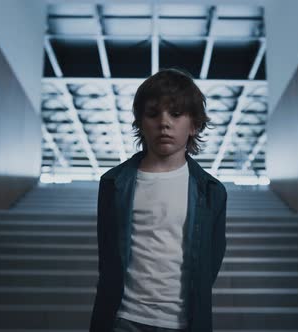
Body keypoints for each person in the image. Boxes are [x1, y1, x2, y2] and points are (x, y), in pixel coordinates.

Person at [89, 68, 228, 332]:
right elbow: (108, 257)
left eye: (176, 114)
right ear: (141, 122)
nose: (164, 122)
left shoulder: (211, 191)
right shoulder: (113, 184)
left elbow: (211, 261)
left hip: (182, 322)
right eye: (153, 114)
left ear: (194, 124)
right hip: (124, 318)